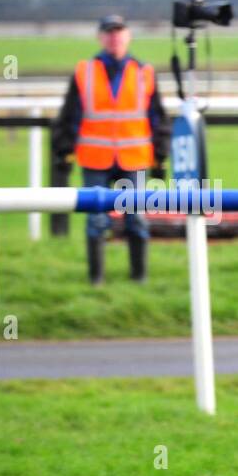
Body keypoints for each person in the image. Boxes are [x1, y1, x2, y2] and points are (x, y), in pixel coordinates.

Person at [52, 15, 169, 285]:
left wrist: (160, 156)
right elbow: (70, 115)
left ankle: (139, 278)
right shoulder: (84, 72)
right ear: (100, 37)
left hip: (133, 158)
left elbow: (157, 117)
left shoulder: (144, 72)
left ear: (128, 36)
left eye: (119, 31)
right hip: (95, 158)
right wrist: (63, 152)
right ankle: (97, 280)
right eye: (109, 32)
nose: (114, 36)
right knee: (95, 219)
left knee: (136, 218)